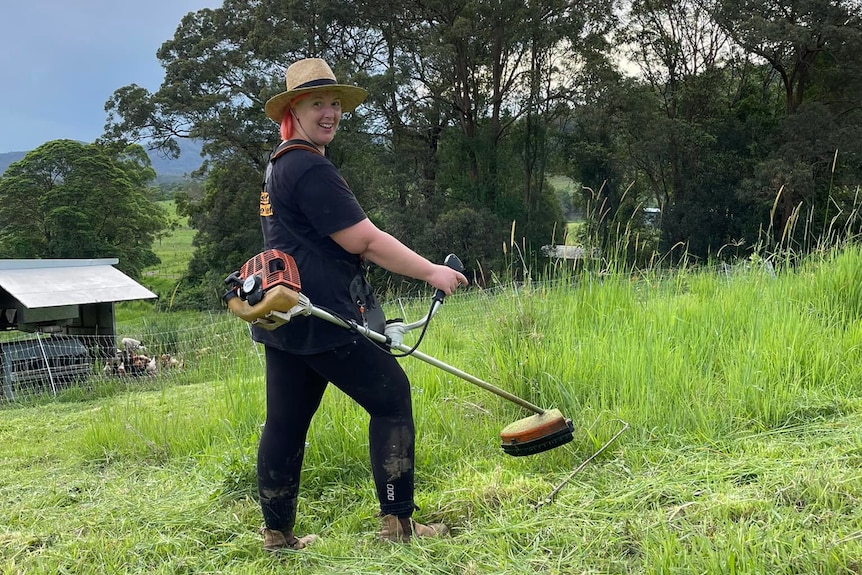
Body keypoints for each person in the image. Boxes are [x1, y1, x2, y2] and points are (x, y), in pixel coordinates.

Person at [252, 58, 468, 552]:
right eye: (317, 103)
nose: (329, 112)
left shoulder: (280, 163)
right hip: (324, 315)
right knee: (391, 399)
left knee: (285, 422)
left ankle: (277, 535)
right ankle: (398, 525)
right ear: (294, 109)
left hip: (285, 314)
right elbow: (365, 242)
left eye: (334, 103)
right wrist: (432, 271)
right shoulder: (309, 167)